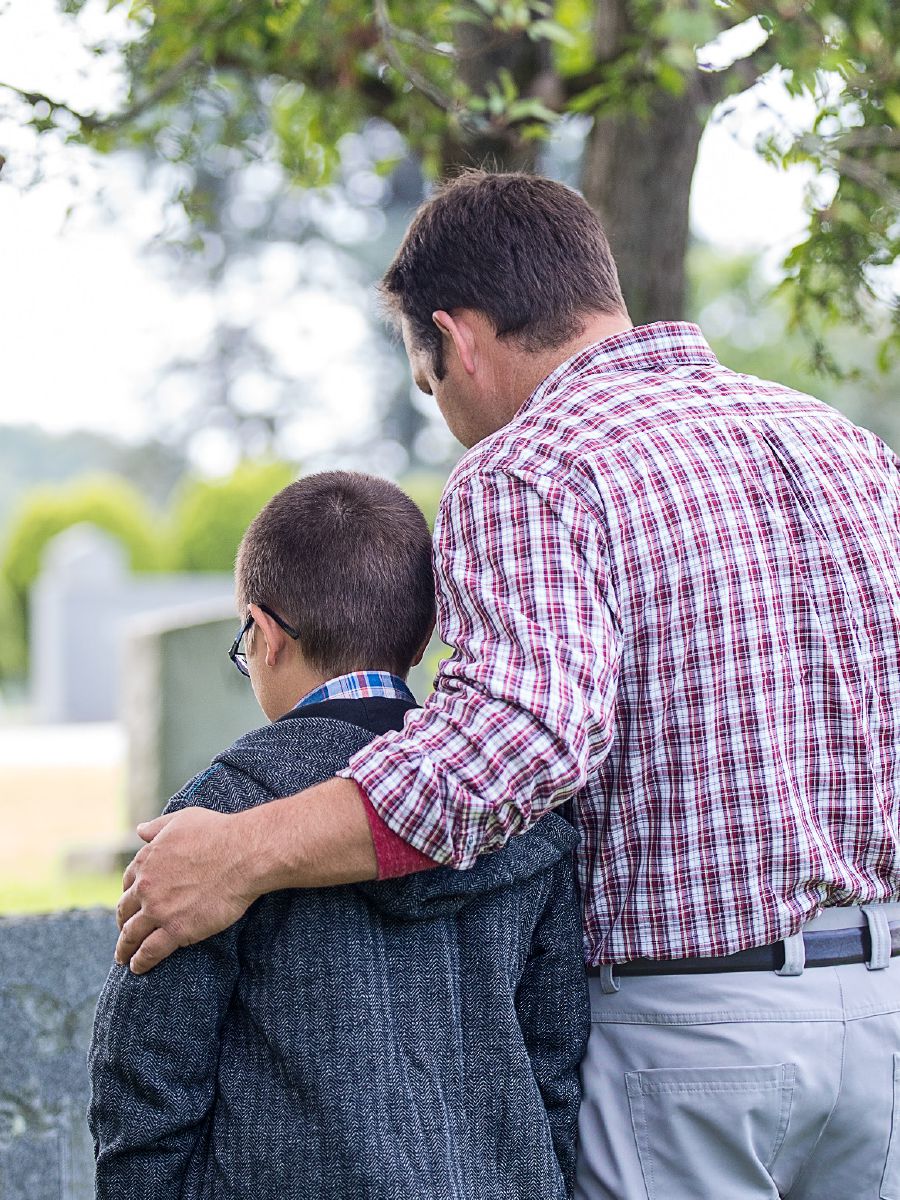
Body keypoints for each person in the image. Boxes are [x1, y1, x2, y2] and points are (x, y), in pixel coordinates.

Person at [115, 172, 900, 1198]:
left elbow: (521, 738)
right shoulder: (843, 447)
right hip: (880, 1019)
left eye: (427, 380)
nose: (442, 411)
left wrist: (239, 853)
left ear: (458, 335)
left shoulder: (531, 466)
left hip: (691, 1044)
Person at [89, 470, 589, 1200]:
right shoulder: (517, 807)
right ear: (422, 638)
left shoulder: (217, 824)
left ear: (262, 635)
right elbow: (555, 1059)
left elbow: (143, 1079)